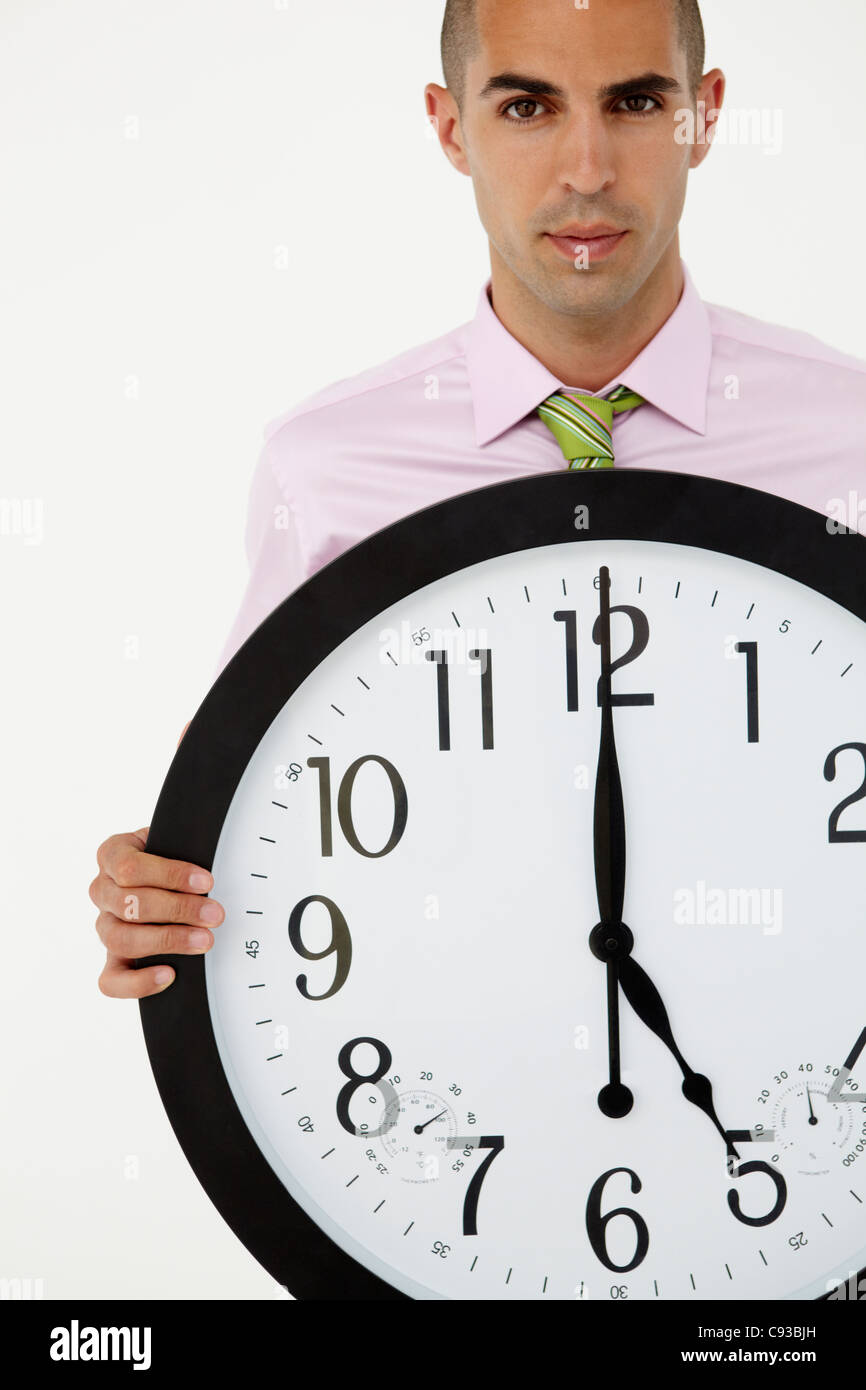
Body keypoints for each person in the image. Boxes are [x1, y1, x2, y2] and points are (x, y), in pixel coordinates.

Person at [90, 0, 865, 1000]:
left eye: (633, 101)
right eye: (526, 107)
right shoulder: (326, 469)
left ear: (702, 117)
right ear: (450, 127)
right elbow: (268, 822)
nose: (585, 169)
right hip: (470, 1045)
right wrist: (165, 896)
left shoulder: (849, 439)